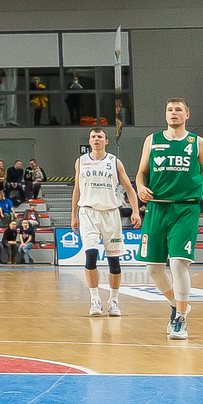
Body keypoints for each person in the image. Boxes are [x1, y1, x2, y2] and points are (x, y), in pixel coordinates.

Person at [135, 98, 203, 341]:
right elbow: (141, 173)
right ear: (165, 115)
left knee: (178, 263)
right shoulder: (152, 140)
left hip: (185, 208)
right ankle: (177, 304)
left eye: (178, 110)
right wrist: (140, 187)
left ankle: (181, 319)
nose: (173, 113)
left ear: (187, 115)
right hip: (156, 208)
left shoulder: (198, 143)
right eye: (169, 110)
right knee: (153, 268)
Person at [71, 127, 142, 317]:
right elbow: (77, 189)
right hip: (88, 213)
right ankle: (95, 299)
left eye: (100, 137)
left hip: (111, 213)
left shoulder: (114, 162)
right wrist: (74, 215)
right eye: (93, 137)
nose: (96, 139)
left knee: (114, 261)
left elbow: (130, 189)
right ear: (89, 141)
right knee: (91, 256)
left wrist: (135, 211)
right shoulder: (81, 161)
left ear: (106, 141)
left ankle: (113, 300)